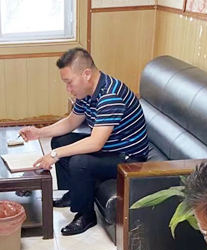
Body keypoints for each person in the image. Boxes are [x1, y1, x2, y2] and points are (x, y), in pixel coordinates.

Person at [20, 48, 148, 236]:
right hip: (109, 148)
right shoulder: (87, 92)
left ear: (86, 74)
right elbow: (71, 122)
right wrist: (38, 132)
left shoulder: (110, 95)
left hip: (129, 159)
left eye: (69, 82)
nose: (68, 89)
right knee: (61, 141)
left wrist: (54, 155)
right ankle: (73, 194)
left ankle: (86, 215)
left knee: (80, 162)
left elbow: (95, 143)